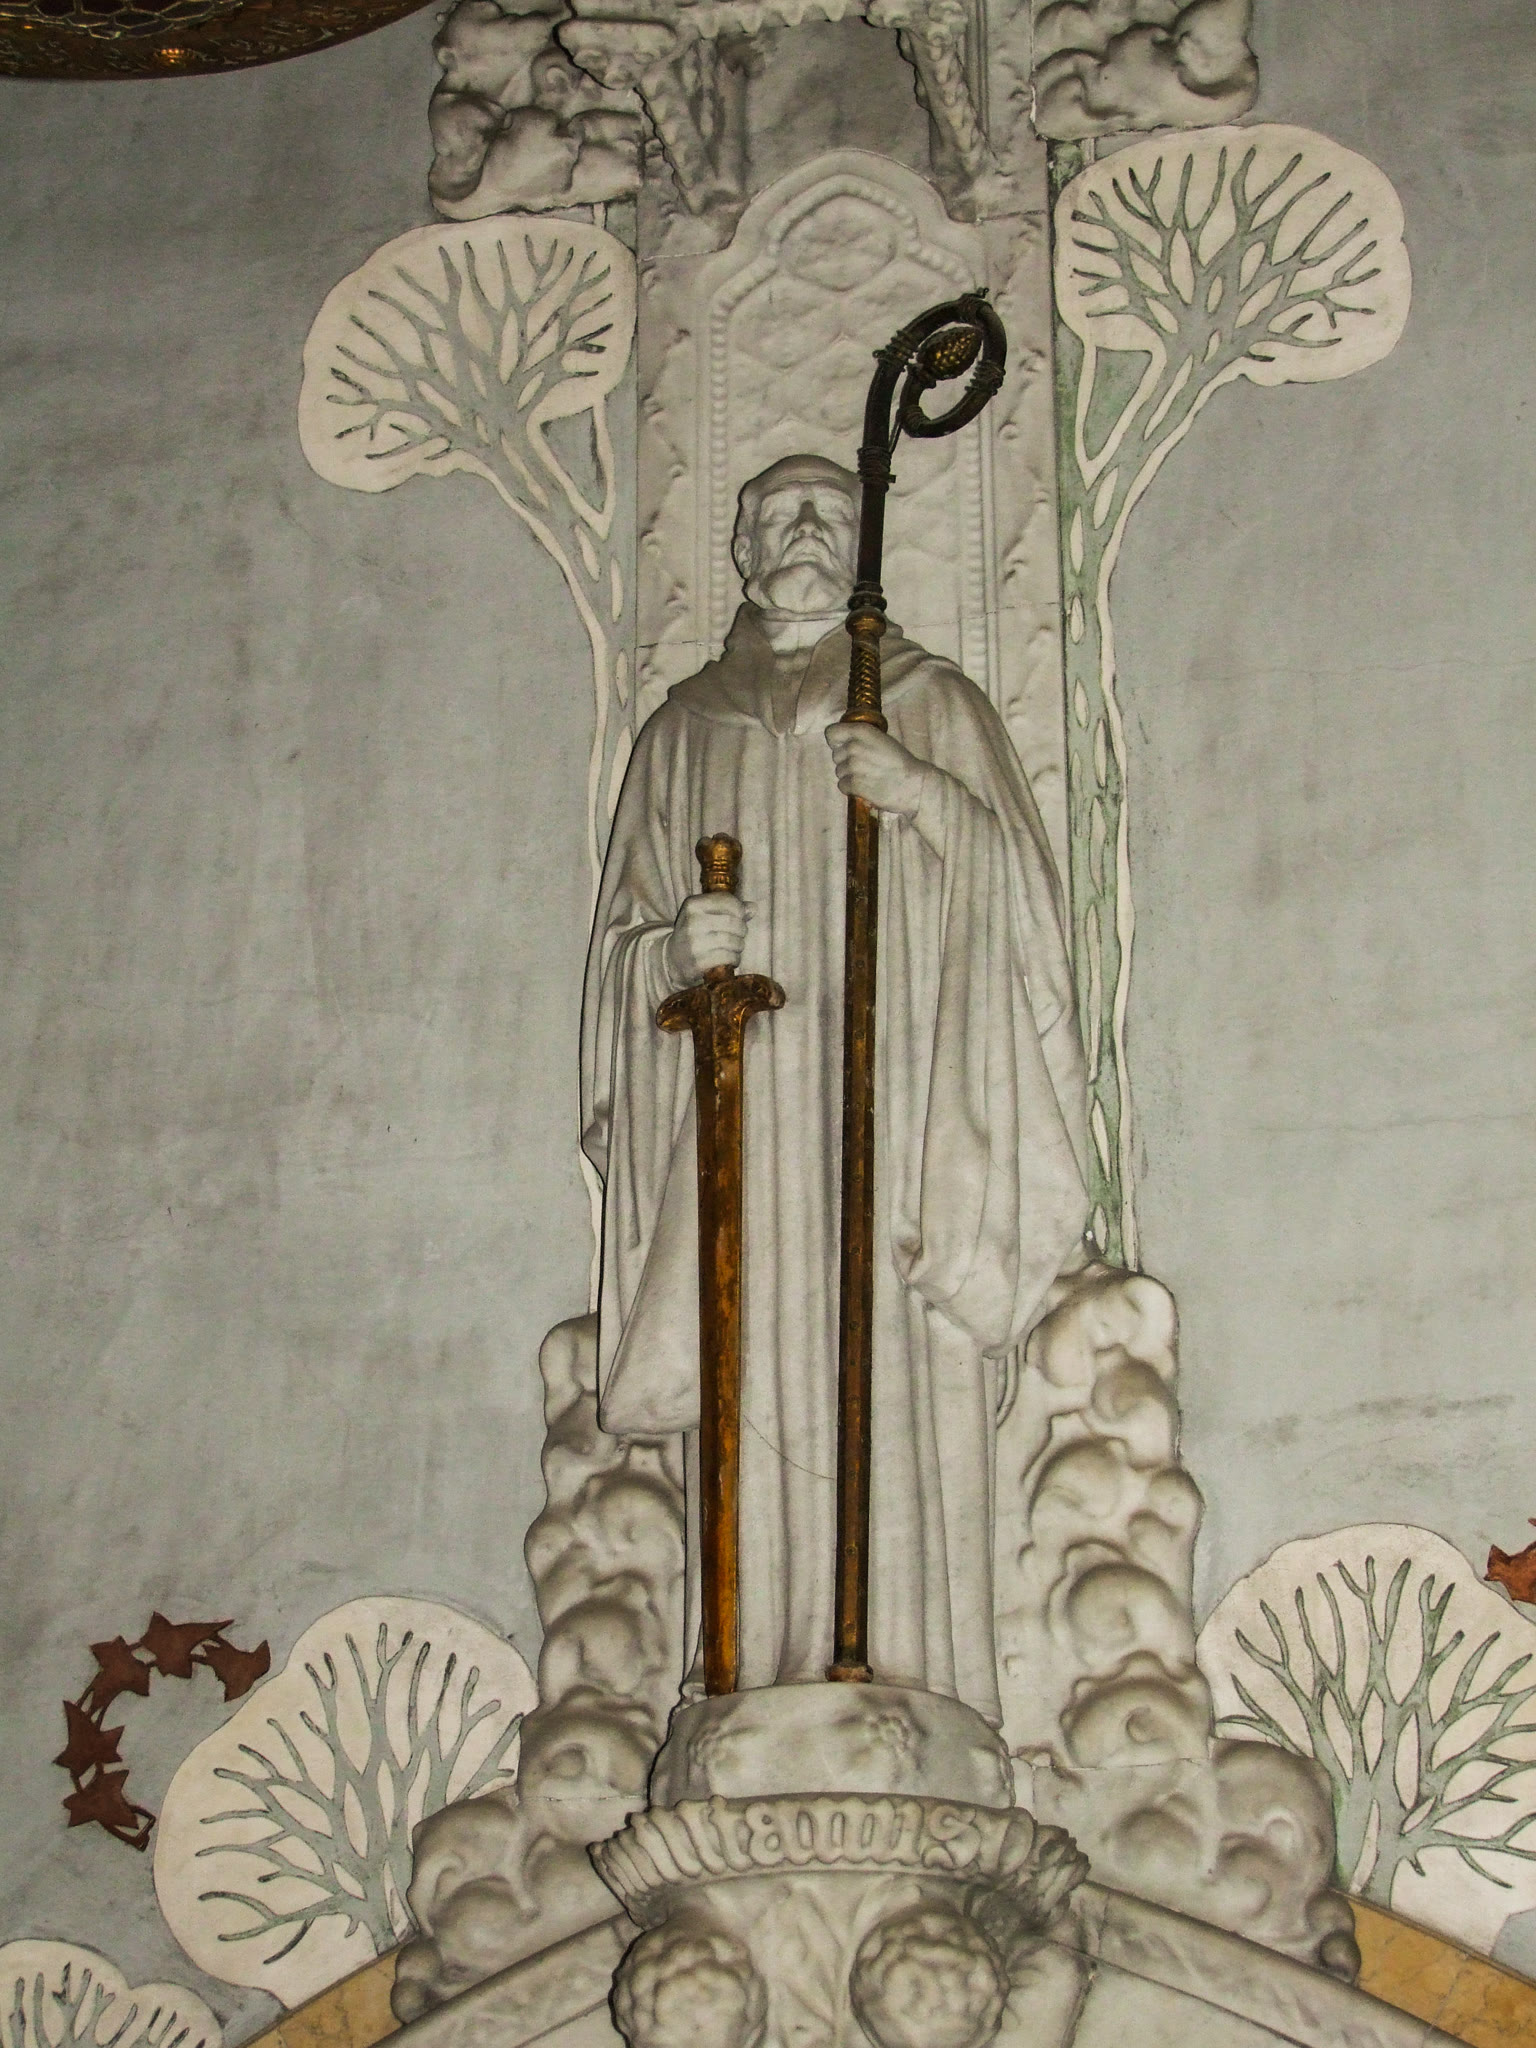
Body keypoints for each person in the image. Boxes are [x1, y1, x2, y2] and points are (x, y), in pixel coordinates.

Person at [580, 454, 1089, 1724]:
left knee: (896, 1367)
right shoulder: (683, 731)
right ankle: (747, 1682)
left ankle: (922, 1685)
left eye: (830, 513)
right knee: (753, 1349)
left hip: (899, 1121)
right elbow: (616, 963)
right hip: (744, 1120)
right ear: (743, 547)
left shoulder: (928, 702)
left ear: (863, 546)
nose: (805, 529)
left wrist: (923, 800)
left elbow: (1029, 927)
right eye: (779, 514)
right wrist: (670, 953)